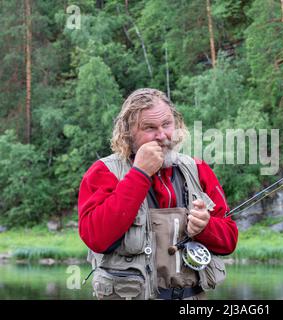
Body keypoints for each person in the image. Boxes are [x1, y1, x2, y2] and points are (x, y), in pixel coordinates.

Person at [78, 88, 238, 300]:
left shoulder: (198, 169)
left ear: (177, 124)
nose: (162, 136)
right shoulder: (103, 172)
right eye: (149, 128)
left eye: (167, 124)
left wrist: (206, 227)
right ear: (128, 133)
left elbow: (229, 240)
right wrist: (140, 173)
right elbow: (97, 237)